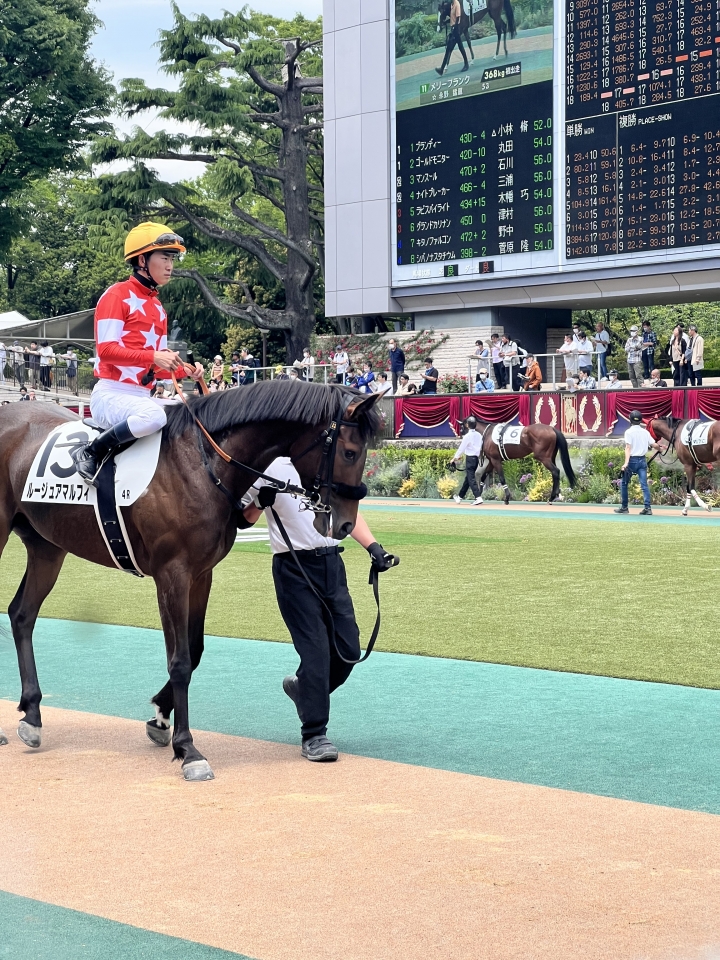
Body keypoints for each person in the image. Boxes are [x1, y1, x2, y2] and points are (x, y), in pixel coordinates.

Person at [240, 458, 399, 761]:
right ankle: (314, 734)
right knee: (315, 652)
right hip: (293, 568)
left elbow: (347, 513)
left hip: (331, 564)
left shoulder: (325, 464)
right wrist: (260, 501)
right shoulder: (267, 465)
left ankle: (304, 690)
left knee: (348, 650)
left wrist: (374, 548)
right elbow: (243, 517)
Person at [71, 222, 204, 485]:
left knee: (193, 416)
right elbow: (106, 351)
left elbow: (158, 365)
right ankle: (90, 452)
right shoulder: (116, 295)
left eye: (172, 260)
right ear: (142, 260)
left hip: (142, 396)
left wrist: (187, 370)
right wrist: (154, 357)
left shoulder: (158, 308)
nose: (170, 266)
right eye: (164, 258)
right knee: (155, 417)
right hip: (111, 394)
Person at [614, 409, 663, 516]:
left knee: (624, 483)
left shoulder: (628, 432)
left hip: (631, 461)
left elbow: (628, 448)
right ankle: (647, 508)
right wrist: (660, 448)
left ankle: (624, 507)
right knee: (644, 485)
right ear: (640, 420)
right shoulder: (645, 432)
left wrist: (626, 463)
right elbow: (654, 444)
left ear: (630, 420)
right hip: (642, 460)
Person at [451, 417, 484, 505]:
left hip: (470, 459)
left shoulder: (467, 436)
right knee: (468, 479)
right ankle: (460, 497)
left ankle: (478, 497)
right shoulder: (479, 435)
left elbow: (461, 449)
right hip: (476, 459)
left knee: (471, 479)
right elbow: (480, 447)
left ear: (467, 425)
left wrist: (454, 458)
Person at [435, 0, 469, 76]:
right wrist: (446, 22)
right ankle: (441, 69)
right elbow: (452, 18)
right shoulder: (452, 4)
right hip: (453, 28)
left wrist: (455, 28)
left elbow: (458, 17)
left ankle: (466, 64)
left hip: (456, 29)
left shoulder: (456, 4)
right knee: (448, 49)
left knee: (460, 47)